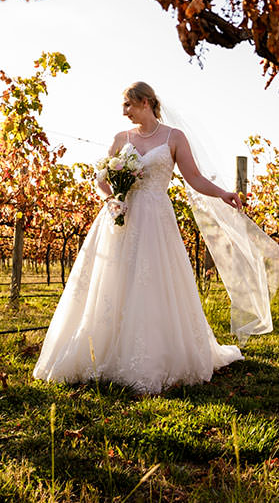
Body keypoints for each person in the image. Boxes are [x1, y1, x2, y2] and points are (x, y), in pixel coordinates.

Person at [32, 81, 252, 394]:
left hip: (156, 219)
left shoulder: (174, 137)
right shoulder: (121, 138)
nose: (124, 113)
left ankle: (152, 356)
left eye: (128, 106)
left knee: (152, 283)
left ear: (146, 102)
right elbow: (102, 179)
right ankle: (102, 351)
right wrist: (113, 198)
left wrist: (224, 194)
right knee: (113, 281)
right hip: (121, 216)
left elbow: (195, 178)